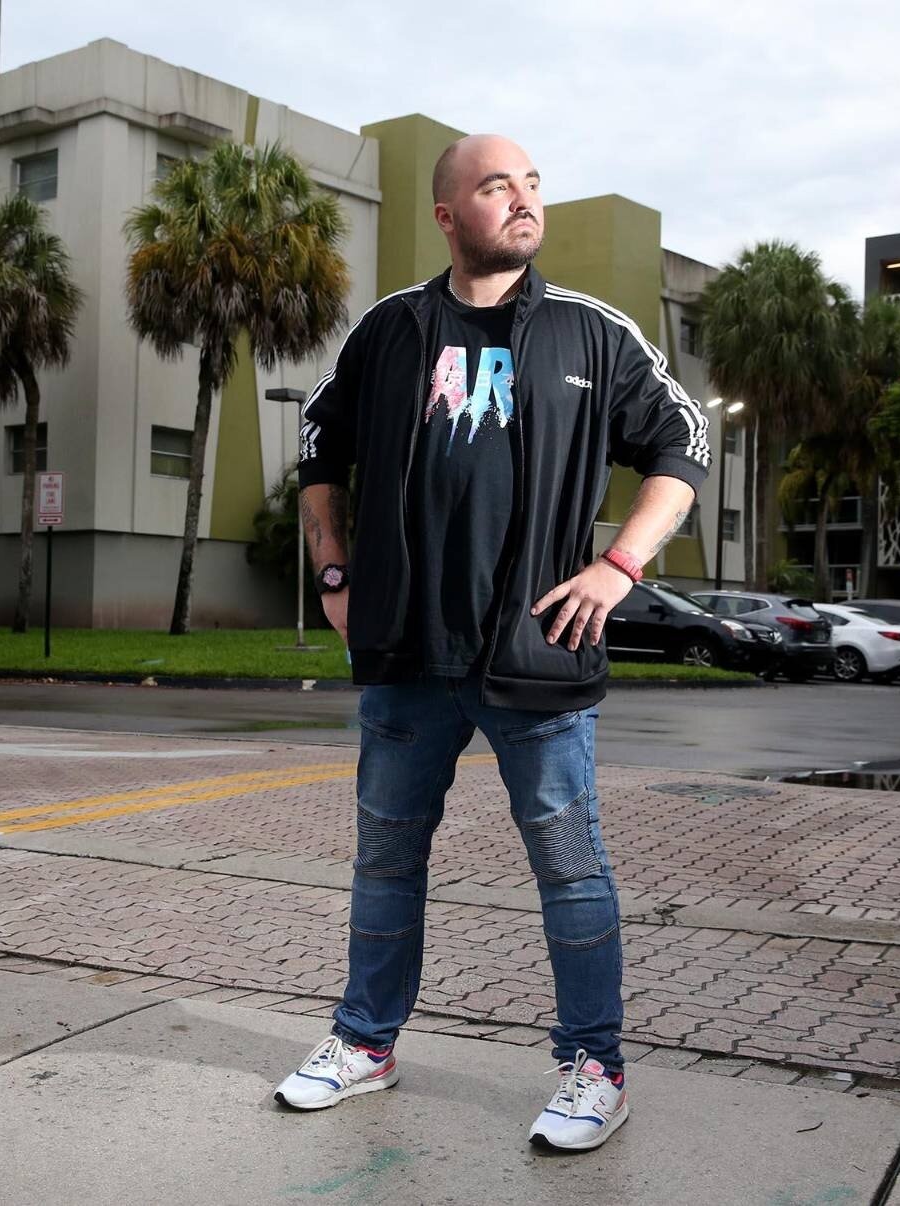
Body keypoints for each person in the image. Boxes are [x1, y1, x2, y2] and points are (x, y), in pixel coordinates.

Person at [274, 134, 710, 1152]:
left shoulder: (589, 333)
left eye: (530, 183)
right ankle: (364, 1045)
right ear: (445, 215)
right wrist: (333, 571)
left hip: (534, 656)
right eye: (493, 185)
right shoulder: (388, 332)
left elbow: (680, 447)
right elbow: (316, 450)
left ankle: (594, 1068)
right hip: (405, 656)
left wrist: (621, 565)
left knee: (569, 866)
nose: (520, 199)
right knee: (385, 862)